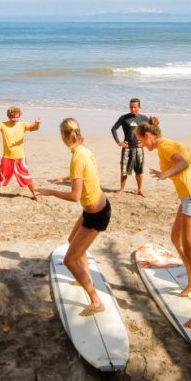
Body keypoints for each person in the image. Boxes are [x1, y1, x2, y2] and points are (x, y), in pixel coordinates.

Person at [136, 117, 191, 328]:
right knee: (175, 239)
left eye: (141, 140)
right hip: (190, 197)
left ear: (148, 136)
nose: (141, 145)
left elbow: (185, 162)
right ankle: (190, 280)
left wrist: (165, 174)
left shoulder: (165, 146)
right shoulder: (170, 144)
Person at [35, 118, 110, 316]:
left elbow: (74, 196)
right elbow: (86, 173)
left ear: (64, 135)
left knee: (69, 260)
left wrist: (52, 191)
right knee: (72, 242)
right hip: (94, 208)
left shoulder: (77, 157)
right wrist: (65, 178)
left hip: (97, 215)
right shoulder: (84, 150)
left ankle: (96, 300)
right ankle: (84, 277)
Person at [0, 106, 41, 199]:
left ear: (20, 116)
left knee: (26, 177)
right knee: (0, 177)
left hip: (20, 157)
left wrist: (37, 123)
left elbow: (34, 128)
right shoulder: (3, 125)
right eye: (13, 117)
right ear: (8, 116)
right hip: (7, 157)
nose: (15, 119)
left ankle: (34, 195)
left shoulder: (23, 124)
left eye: (17, 117)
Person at [110, 97, 150, 197]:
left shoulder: (144, 118)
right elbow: (114, 129)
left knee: (139, 170)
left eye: (135, 107)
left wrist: (145, 143)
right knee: (124, 170)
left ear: (139, 107)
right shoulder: (124, 118)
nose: (133, 109)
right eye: (131, 107)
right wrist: (119, 142)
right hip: (127, 148)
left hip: (138, 148)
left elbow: (151, 131)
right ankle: (121, 189)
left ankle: (140, 190)